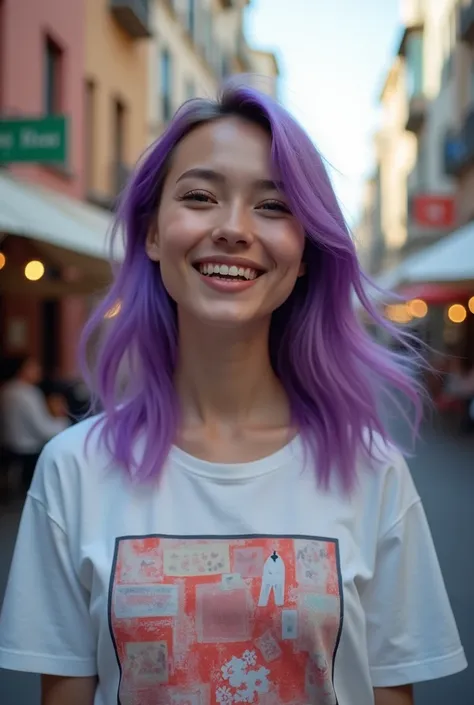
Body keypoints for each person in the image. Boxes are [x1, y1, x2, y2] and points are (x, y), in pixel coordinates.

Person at [0, 80, 467, 705]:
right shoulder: (73, 469)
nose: (234, 229)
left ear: (303, 254)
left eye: (273, 207)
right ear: (152, 234)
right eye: (199, 196)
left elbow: (390, 692)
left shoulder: (371, 469)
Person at [0, 355, 70, 493]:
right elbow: (43, 429)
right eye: (33, 367)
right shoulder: (28, 393)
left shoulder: (6, 390)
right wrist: (63, 418)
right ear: (22, 370)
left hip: (9, 446)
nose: (38, 370)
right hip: (29, 450)